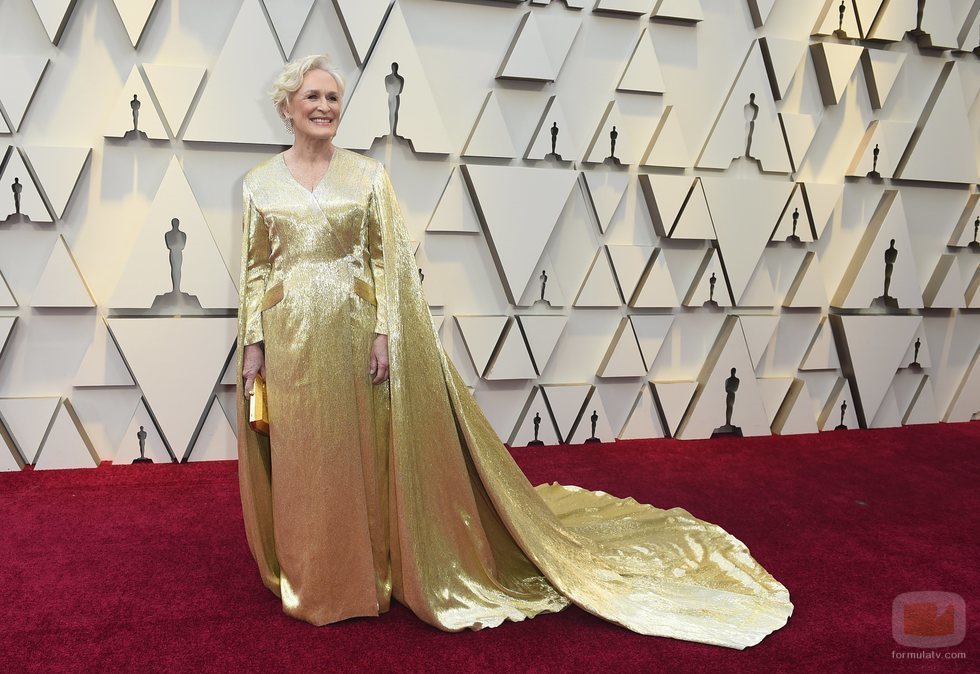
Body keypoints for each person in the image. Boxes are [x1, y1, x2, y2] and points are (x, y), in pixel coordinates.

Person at [237, 54, 792, 649]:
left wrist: (385, 332)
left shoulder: (368, 176)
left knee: (362, 453)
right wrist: (252, 344)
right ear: (287, 105)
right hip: (291, 338)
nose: (325, 108)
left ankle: (368, 575)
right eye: (313, 97)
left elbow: (387, 260)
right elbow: (254, 268)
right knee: (307, 459)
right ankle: (315, 576)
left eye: (333, 98)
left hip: (354, 332)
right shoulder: (260, 184)